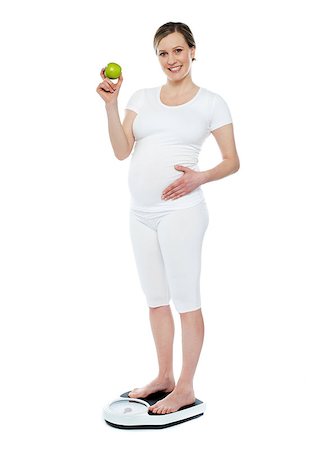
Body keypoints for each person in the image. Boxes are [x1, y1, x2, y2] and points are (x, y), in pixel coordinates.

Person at [96, 21, 240, 415]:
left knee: (186, 301)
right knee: (156, 301)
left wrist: (200, 176)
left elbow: (232, 161)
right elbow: (121, 151)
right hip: (140, 214)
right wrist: (111, 105)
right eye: (163, 53)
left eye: (178, 50)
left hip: (182, 213)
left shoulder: (211, 102)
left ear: (193, 51)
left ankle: (187, 387)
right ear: (156, 57)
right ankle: (164, 377)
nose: (171, 59)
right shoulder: (141, 97)